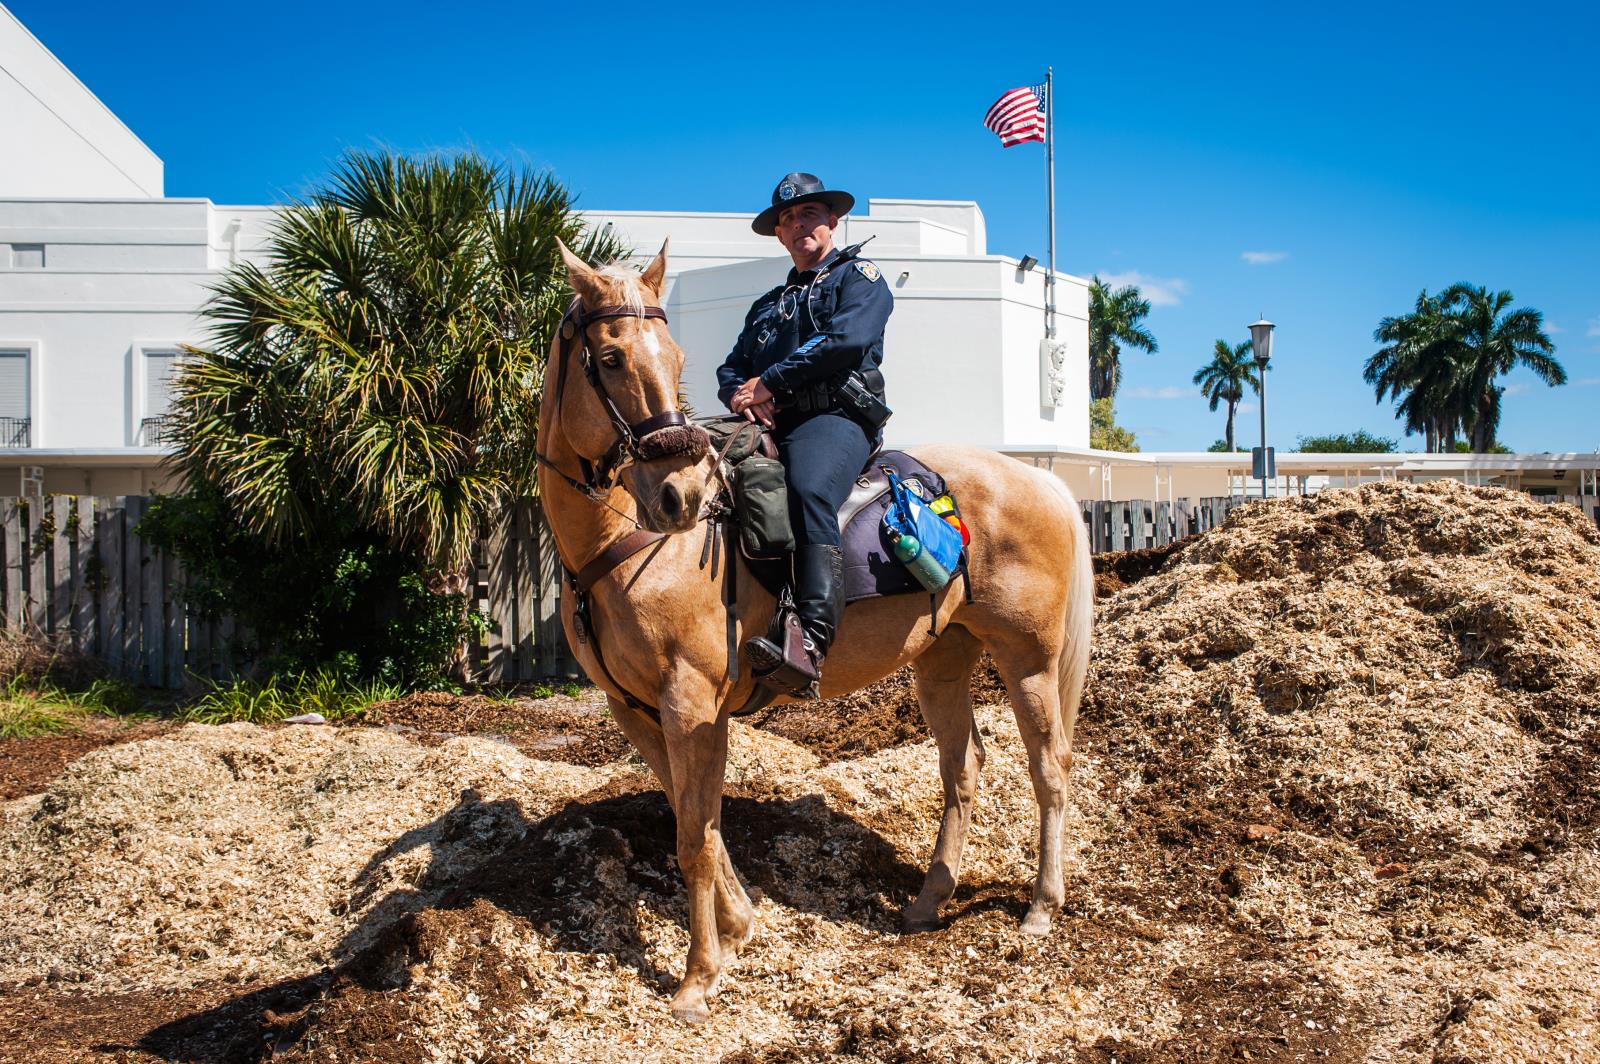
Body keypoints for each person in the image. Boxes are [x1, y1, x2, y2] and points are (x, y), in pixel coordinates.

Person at [717, 172, 893, 696]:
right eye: (788, 220)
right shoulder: (766, 306)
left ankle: (811, 639)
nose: (799, 225)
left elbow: (845, 341)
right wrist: (739, 398)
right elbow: (731, 368)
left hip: (835, 420)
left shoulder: (860, 276)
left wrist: (767, 382)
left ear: (832, 221)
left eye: (809, 215)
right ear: (778, 235)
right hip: (771, 422)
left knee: (808, 489)